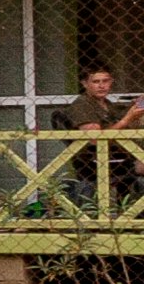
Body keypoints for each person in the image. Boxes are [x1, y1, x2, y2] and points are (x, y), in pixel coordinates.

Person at [59, 64, 144, 207]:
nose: (101, 86)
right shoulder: (82, 105)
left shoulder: (108, 104)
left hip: (125, 153)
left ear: (111, 82)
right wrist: (127, 119)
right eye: (96, 82)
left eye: (105, 81)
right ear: (85, 83)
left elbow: (126, 127)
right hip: (100, 159)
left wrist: (137, 112)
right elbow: (95, 139)